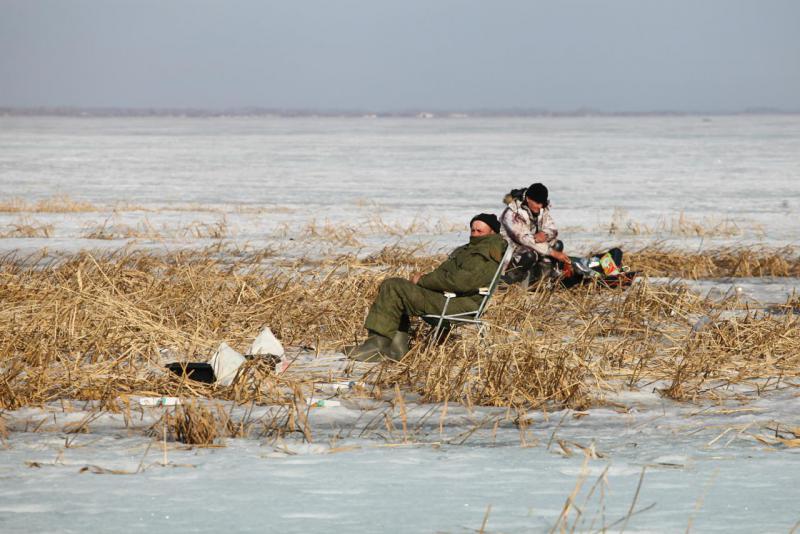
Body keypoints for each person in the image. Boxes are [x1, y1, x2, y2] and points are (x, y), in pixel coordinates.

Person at [346, 213, 507, 362]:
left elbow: (460, 282)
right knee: (398, 289)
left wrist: (423, 281)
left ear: (492, 232)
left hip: (457, 304)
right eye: (473, 230)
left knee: (394, 286)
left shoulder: (485, 252)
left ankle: (378, 345)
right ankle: (396, 349)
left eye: (480, 231)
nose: (475, 234)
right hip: (448, 298)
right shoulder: (474, 249)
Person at [500, 183, 571, 284]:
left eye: (542, 203)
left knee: (557, 244)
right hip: (512, 251)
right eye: (537, 203)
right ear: (528, 199)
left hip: (535, 246)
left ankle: (542, 282)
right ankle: (509, 282)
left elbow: (552, 228)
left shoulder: (542, 208)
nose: (540, 206)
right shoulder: (511, 214)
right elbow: (525, 239)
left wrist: (545, 234)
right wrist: (553, 253)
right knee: (530, 254)